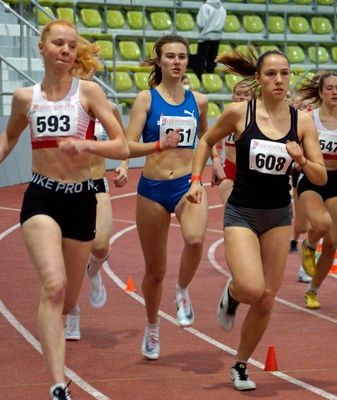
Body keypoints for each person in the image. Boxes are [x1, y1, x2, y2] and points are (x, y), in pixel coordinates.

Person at [0, 19, 129, 400]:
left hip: (81, 199)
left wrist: (89, 147)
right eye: (58, 44)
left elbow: (122, 146)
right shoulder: (26, 97)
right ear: (42, 47)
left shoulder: (87, 93)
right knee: (52, 285)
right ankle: (58, 383)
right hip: (41, 197)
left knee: (68, 299)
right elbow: (9, 137)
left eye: (72, 46)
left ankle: (74, 308)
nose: (66, 51)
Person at [186, 49, 327, 390]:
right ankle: (232, 294)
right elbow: (206, 140)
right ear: (259, 79)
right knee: (250, 287)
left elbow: (321, 177)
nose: (279, 80)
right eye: (271, 74)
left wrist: (302, 161)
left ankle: (240, 364)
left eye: (284, 74)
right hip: (242, 212)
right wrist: (195, 180)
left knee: (266, 297)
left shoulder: (302, 121)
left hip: (278, 215)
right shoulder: (239, 113)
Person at [126, 35, 222, 360]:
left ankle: (182, 291)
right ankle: (152, 327)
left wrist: (214, 164)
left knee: (195, 240)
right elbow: (128, 145)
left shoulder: (200, 101)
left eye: (182, 56)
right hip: (152, 190)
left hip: (186, 184)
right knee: (154, 271)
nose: (177, 62)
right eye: (170, 56)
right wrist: (157, 146)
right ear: (160, 61)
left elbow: (206, 139)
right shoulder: (146, 100)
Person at [294, 71, 337, 307]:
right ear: (321, 93)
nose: (335, 92)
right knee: (322, 224)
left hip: (335, 180)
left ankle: (312, 291)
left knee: (333, 243)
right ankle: (309, 245)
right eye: (330, 88)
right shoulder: (307, 118)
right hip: (310, 178)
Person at [64, 102, 129, 341]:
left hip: (97, 184)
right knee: (69, 259)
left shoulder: (109, 108)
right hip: (67, 187)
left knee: (101, 245)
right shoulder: (63, 106)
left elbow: (123, 143)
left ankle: (94, 270)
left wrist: (123, 166)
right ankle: (73, 313)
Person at [217, 81, 253, 204]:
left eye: (246, 94)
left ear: (252, 97)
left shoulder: (259, 121)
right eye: (238, 94)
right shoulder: (222, 119)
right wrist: (216, 161)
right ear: (233, 97)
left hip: (251, 171)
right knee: (230, 211)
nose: (242, 97)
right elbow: (209, 142)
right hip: (230, 169)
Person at [192, 0, 227, 80]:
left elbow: (201, 23)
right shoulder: (222, 8)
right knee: (211, 61)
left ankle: (199, 80)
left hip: (206, 35)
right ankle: (210, 79)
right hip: (217, 36)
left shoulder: (205, 7)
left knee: (201, 60)